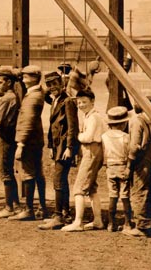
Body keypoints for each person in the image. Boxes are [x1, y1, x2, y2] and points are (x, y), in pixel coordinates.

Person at [38, 70, 80, 229]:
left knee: (58, 179)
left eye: (55, 84)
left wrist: (70, 147)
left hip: (64, 147)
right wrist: (50, 146)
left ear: (62, 84)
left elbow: (72, 127)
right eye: (49, 85)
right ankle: (65, 213)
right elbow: (52, 127)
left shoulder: (67, 101)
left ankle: (57, 215)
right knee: (61, 180)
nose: (52, 87)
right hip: (57, 146)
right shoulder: (55, 100)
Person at [61, 89, 106, 231]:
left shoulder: (94, 117)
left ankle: (78, 222)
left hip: (92, 149)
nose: (81, 105)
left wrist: (78, 136)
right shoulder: (88, 116)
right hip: (90, 150)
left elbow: (87, 137)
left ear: (92, 101)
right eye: (79, 102)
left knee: (79, 188)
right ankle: (98, 220)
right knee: (91, 188)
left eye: (84, 102)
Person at [10, 65, 48, 222]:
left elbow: (28, 121)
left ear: (34, 78)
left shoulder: (33, 97)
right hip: (35, 141)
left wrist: (21, 144)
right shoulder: (37, 93)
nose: (23, 79)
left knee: (28, 174)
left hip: (29, 142)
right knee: (37, 173)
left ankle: (29, 209)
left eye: (26, 76)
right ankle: (42, 207)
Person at [123, 92, 151, 238]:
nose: (134, 104)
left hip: (140, 159)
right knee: (148, 191)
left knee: (138, 191)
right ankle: (149, 222)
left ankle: (142, 226)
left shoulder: (138, 121)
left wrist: (129, 165)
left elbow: (134, 146)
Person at [0, 67, 21, 218]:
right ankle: (15, 205)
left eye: (1, 82)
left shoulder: (6, 98)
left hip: (4, 137)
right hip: (11, 136)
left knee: (4, 172)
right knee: (8, 170)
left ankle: (9, 207)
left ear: (9, 82)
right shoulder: (14, 96)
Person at [101, 106, 131, 233]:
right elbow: (129, 153)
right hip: (123, 166)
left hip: (110, 167)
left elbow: (103, 153)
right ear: (124, 123)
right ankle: (128, 223)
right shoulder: (126, 136)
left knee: (112, 195)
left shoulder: (104, 136)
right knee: (125, 196)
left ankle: (111, 223)